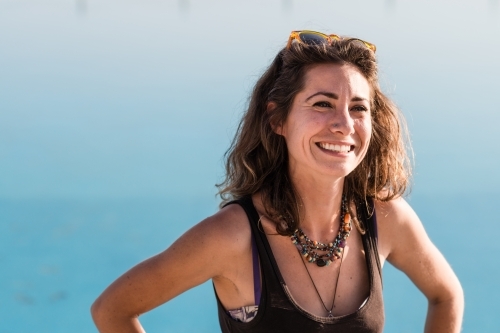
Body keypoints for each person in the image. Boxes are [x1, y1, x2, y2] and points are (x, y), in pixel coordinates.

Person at [91, 30, 464, 332]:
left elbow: (446, 296)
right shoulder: (233, 236)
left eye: (358, 108)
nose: (344, 125)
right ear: (277, 119)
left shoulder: (385, 218)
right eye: (322, 104)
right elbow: (112, 310)